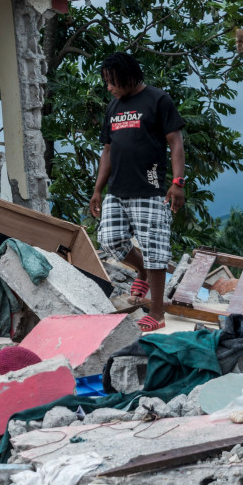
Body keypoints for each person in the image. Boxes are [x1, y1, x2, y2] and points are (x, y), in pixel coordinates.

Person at [89, 52, 186, 332]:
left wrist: (177, 182)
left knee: (155, 251)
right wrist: (98, 190)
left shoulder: (157, 99)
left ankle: (157, 313)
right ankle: (141, 270)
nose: (108, 87)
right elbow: (107, 150)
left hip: (150, 188)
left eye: (111, 81)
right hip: (117, 190)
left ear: (127, 75)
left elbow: (175, 143)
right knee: (110, 240)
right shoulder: (113, 106)